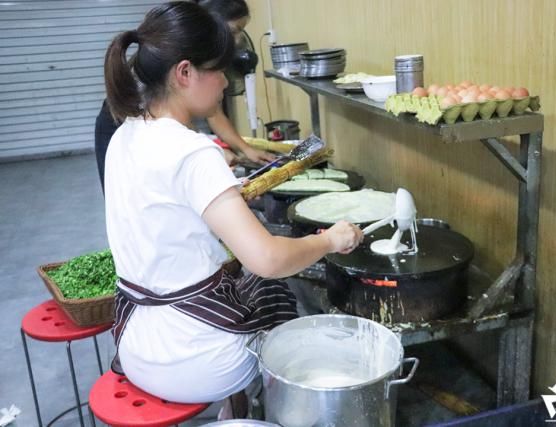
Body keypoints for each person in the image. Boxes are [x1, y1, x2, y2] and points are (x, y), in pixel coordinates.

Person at [103, 1, 363, 417]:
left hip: (136, 345)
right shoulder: (193, 152)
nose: (224, 82)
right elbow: (269, 260)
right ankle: (250, 409)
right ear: (184, 73)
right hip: (197, 363)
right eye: (217, 70)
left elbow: (164, 215)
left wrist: (227, 196)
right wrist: (331, 239)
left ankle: (236, 409)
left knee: (240, 280)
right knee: (275, 289)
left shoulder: (124, 137)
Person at [94, 0, 272, 192]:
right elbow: (175, 123)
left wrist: (240, 149)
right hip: (119, 123)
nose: (237, 40)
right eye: (236, 29)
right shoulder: (162, 66)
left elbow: (198, 115)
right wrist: (207, 155)